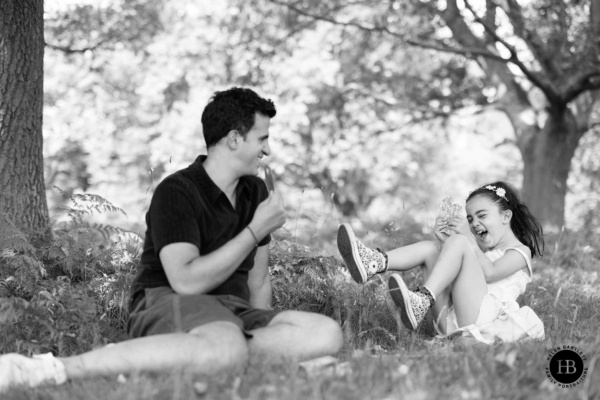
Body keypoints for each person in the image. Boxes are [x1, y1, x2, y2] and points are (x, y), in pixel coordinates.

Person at [0, 87, 343, 392]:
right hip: (167, 298)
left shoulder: (255, 192)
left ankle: (175, 359)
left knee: (324, 333)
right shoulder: (177, 191)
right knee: (226, 344)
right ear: (235, 139)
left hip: (232, 313)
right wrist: (254, 229)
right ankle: (50, 369)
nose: (267, 150)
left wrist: (266, 332)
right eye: (262, 138)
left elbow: (260, 280)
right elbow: (186, 280)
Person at [337, 182, 545, 344]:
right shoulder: (478, 250)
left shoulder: (520, 251)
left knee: (459, 242)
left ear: (505, 216)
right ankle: (373, 262)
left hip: (483, 318)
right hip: (449, 321)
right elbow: (459, 275)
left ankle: (422, 299)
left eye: (482, 215)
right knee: (430, 249)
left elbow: (490, 273)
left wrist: (465, 241)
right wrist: (445, 243)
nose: (473, 223)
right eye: (470, 219)